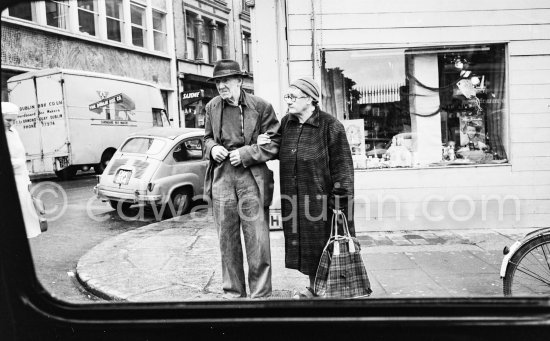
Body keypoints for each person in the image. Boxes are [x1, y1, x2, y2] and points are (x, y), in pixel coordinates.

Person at [258, 77, 355, 298]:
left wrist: (339, 205)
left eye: (293, 96)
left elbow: (344, 170)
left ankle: (333, 292)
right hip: (295, 201)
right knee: (308, 249)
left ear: (310, 99)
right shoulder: (286, 123)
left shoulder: (331, 126)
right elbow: (275, 145)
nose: (288, 101)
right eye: (287, 96)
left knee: (328, 247)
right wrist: (264, 140)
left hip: (324, 202)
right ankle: (315, 289)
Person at [203, 59, 280, 299]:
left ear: (239, 81)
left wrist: (246, 153)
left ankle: (260, 295)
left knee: (257, 238)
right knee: (227, 239)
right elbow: (205, 139)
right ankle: (233, 293)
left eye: (226, 80)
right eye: (218, 81)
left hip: (252, 177)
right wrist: (212, 148)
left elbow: (276, 142)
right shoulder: (212, 107)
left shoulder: (261, 106)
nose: (221, 85)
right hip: (222, 177)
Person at [2, 102, 41, 239]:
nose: (11, 123)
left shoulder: (14, 132)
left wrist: (28, 182)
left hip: (20, 181)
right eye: (8, 120)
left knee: (24, 218)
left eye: (14, 120)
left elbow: (21, 157)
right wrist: (16, 164)